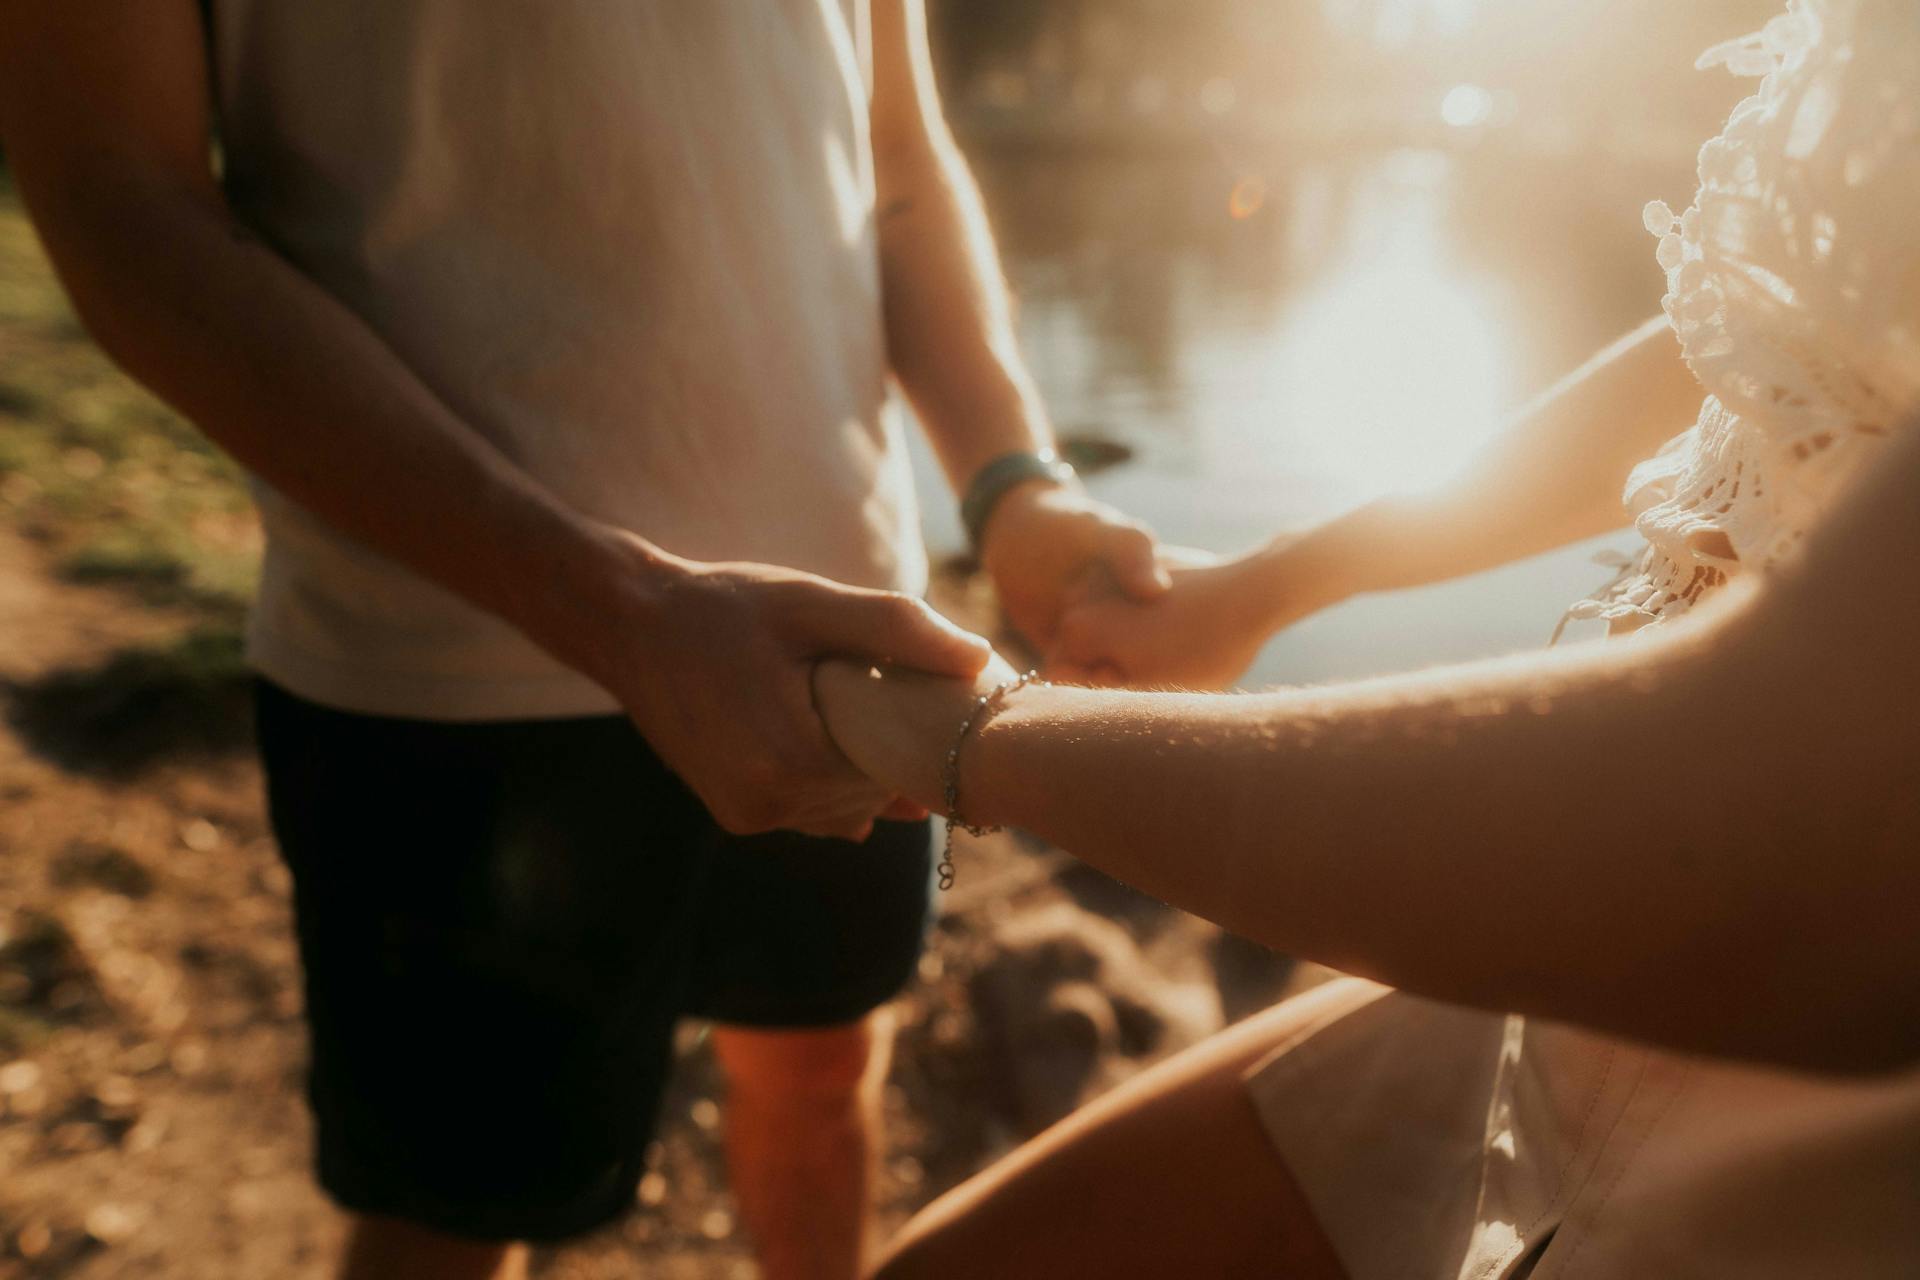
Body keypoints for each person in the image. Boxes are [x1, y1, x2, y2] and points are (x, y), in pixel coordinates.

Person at [0, 3, 1174, 1278]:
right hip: (449, 668)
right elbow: (116, 191)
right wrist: (613, 607)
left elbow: (894, 153)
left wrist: (1011, 483)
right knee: (454, 1207)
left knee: (824, 1062)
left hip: (856, 629)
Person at [814, 1, 1920, 1274]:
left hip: (1802, 1048)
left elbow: (1790, 804)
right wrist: (1267, 588)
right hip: (1579, 962)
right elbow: (1764, 331)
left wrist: (967, 742)